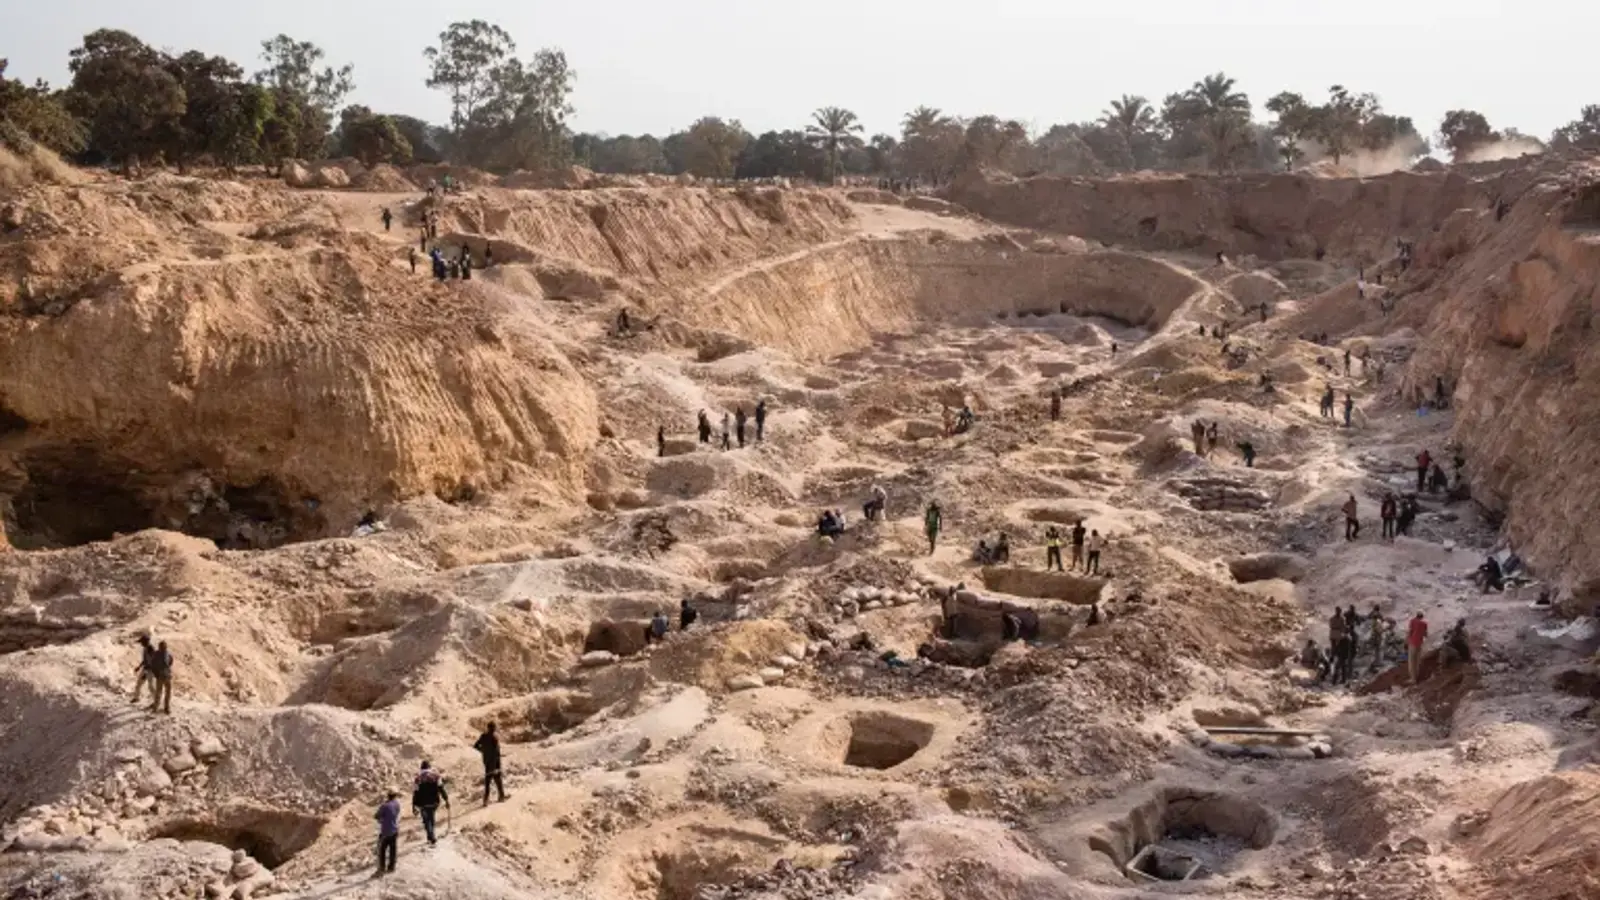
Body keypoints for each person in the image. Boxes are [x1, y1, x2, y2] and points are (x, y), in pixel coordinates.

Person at [411, 762, 449, 846]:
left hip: (422, 804)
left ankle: (431, 837)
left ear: (421, 768)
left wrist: (413, 806)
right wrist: (446, 800)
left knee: (426, 820)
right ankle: (430, 837)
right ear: (429, 767)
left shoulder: (418, 779)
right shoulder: (436, 776)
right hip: (434, 802)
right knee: (431, 818)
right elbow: (441, 789)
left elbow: (415, 793)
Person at [473, 723, 505, 806]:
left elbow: (475, 746)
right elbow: (496, 753)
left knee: (487, 782)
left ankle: (486, 800)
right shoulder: (494, 738)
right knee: (498, 780)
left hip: (487, 762)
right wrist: (498, 766)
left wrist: (483, 751)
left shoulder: (483, 736)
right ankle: (501, 797)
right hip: (494, 763)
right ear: (493, 728)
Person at [375, 791, 401, 876]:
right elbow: (397, 813)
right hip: (395, 829)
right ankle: (391, 867)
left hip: (385, 831)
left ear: (388, 796)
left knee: (381, 850)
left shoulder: (384, 806)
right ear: (395, 796)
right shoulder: (397, 804)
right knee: (393, 849)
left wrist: (382, 818)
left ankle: (381, 868)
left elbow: (376, 816)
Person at [147, 640, 173, 714]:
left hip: (167, 676)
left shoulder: (167, 654)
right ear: (160, 647)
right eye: (163, 647)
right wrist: (156, 675)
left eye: (164, 647)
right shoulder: (156, 655)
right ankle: (156, 708)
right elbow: (153, 666)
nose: (164, 648)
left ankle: (166, 707)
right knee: (159, 693)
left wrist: (167, 670)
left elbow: (171, 661)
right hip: (160, 676)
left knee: (168, 692)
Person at [1406, 612, 1429, 684]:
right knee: (1417, 660)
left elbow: (1410, 632)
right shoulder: (1424, 624)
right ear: (1422, 617)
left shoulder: (1412, 621)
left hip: (1413, 643)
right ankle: (1417, 676)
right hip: (1419, 644)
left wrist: (1406, 641)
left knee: (1412, 661)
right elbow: (1425, 634)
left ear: (1416, 616)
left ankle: (1413, 679)